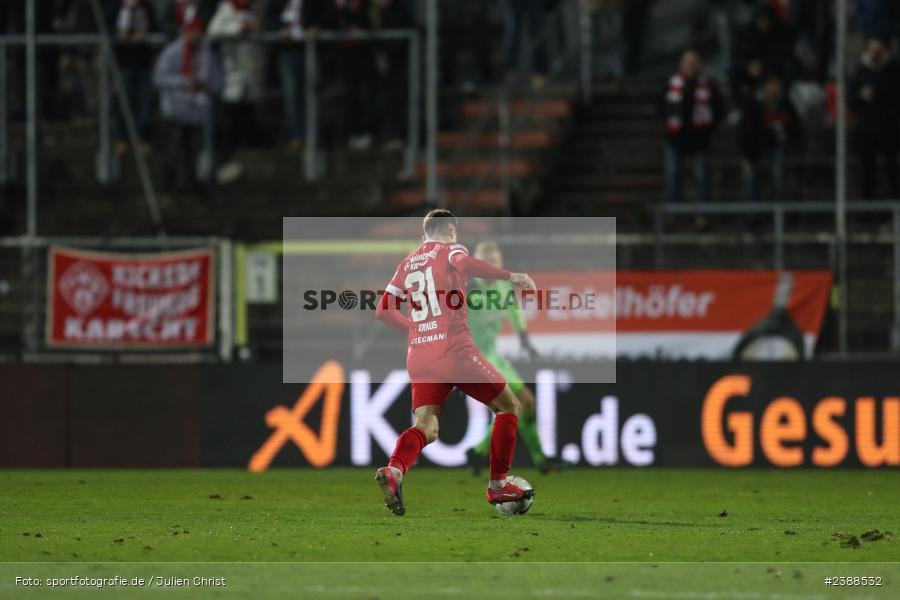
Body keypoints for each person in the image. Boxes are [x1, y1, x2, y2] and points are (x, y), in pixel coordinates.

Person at [374, 209, 538, 516]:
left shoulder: (406, 263)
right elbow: (464, 263)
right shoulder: (452, 250)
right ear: (452, 231)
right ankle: (499, 486)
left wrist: (414, 328)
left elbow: (383, 310)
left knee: (427, 427)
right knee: (509, 407)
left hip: (420, 355)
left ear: (423, 234)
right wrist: (510, 276)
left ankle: (394, 471)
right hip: (455, 351)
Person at [463, 241, 569, 475]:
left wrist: (524, 340)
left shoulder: (503, 286)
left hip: (493, 355)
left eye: (494, 261)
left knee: (524, 404)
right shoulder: (466, 289)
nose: (490, 265)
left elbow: (513, 311)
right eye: (485, 261)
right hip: (473, 357)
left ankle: (483, 453)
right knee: (513, 406)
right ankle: (533, 459)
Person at [153, 17, 223, 192]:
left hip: (197, 113)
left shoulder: (207, 54)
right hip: (174, 111)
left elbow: (218, 81)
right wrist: (184, 83)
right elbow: (159, 78)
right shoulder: (172, 52)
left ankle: (194, 185)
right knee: (172, 151)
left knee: (195, 152)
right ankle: (167, 185)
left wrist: (204, 85)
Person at [208, 0, 265, 185]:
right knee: (229, 117)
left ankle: (247, 155)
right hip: (232, 70)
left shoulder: (255, 10)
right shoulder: (226, 9)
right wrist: (238, 28)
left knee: (249, 114)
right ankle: (225, 158)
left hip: (252, 68)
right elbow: (213, 32)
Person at [661, 50, 724, 203]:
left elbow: (718, 110)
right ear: (681, 65)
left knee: (702, 177)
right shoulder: (671, 84)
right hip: (675, 138)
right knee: (672, 176)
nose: (690, 66)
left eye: (694, 63)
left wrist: (707, 129)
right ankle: (672, 214)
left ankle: (702, 215)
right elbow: (661, 107)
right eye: (687, 63)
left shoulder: (709, 86)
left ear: (700, 65)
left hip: (699, 140)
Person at [267, 0, 325, 149]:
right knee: (292, 93)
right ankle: (297, 136)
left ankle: (314, 136)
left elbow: (326, 14)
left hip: (310, 49)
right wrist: (279, 29)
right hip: (287, 50)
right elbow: (269, 18)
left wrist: (318, 28)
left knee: (312, 92)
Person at [848, 38, 900, 200]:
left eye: (878, 49)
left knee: (891, 169)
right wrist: (860, 96)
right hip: (866, 129)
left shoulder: (893, 70)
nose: (875, 53)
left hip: (888, 128)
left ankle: (895, 208)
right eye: (873, 49)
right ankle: (867, 211)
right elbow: (851, 101)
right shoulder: (860, 71)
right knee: (867, 171)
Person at [737, 75, 799, 201]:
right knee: (750, 177)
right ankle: (752, 213)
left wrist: (793, 146)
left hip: (780, 148)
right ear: (766, 87)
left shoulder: (786, 105)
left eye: (777, 87)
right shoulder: (754, 105)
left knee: (778, 175)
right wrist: (745, 155)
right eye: (772, 86)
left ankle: (777, 211)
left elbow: (795, 128)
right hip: (756, 150)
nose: (775, 90)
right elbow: (745, 131)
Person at [107, 0, 158, 151]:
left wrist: (146, 34)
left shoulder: (146, 8)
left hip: (143, 62)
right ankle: (121, 137)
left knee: (144, 102)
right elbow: (105, 27)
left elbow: (156, 27)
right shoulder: (115, 7)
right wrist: (118, 34)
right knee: (123, 99)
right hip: (123, 62)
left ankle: (143, 137)